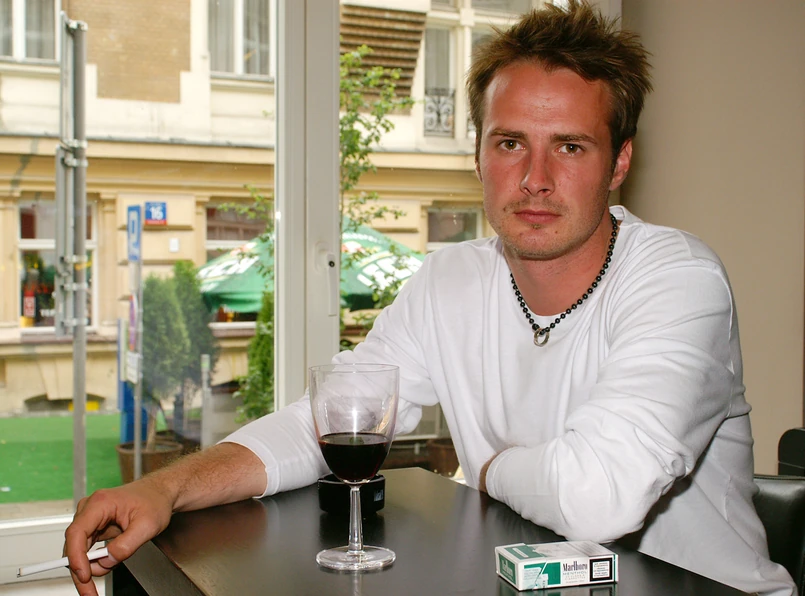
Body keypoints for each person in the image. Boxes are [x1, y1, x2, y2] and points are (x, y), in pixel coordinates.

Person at [65, 2, 796, 595]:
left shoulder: (678, 280)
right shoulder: (451, 280)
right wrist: (166, 489)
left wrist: (487, 470)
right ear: (477, 155)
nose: (535, 178)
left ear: (619, 163)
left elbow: (599, 496)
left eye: (570, 146)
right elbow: (330, 419)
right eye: (510, 143)